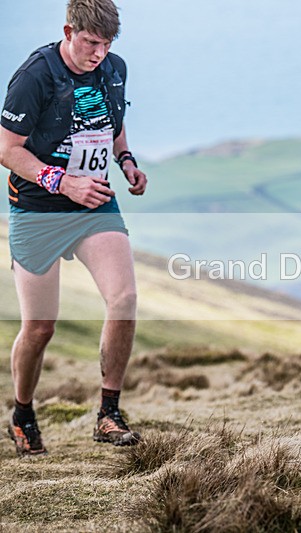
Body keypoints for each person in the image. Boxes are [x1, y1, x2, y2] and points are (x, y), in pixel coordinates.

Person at [0, 0, 147, 456]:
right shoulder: (35, 76)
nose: (98, 53)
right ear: (69, 31)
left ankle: (108, 412)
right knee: (41, 327)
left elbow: (113, 123)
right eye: (89, 43)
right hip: (38, 209)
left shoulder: (113, 68)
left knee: (123, 298)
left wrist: (127, 162)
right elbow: (7, 149)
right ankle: (22, 412)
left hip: (94, 203)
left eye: (105, 44)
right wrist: (62, 182)